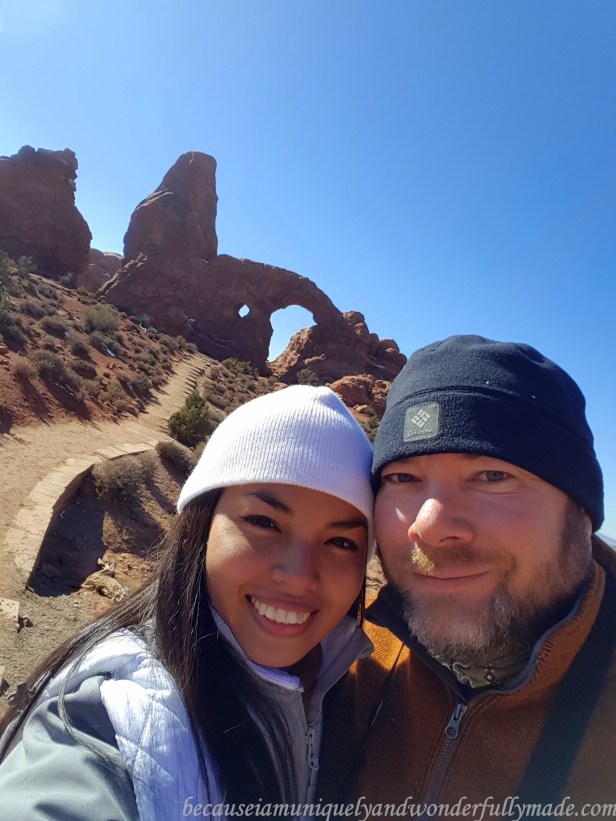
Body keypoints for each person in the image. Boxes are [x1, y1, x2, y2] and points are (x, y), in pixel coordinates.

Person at [0, 385, 375, 819]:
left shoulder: (344, 692)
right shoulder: (113, 715)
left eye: (342, 542)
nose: (299, 573)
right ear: (202, 523)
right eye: (263, 521)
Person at [318, 335, 616, 811]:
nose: (429, 528)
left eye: (493, 476)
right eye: (403, 478)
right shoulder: (338, 660)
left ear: (581, 514)